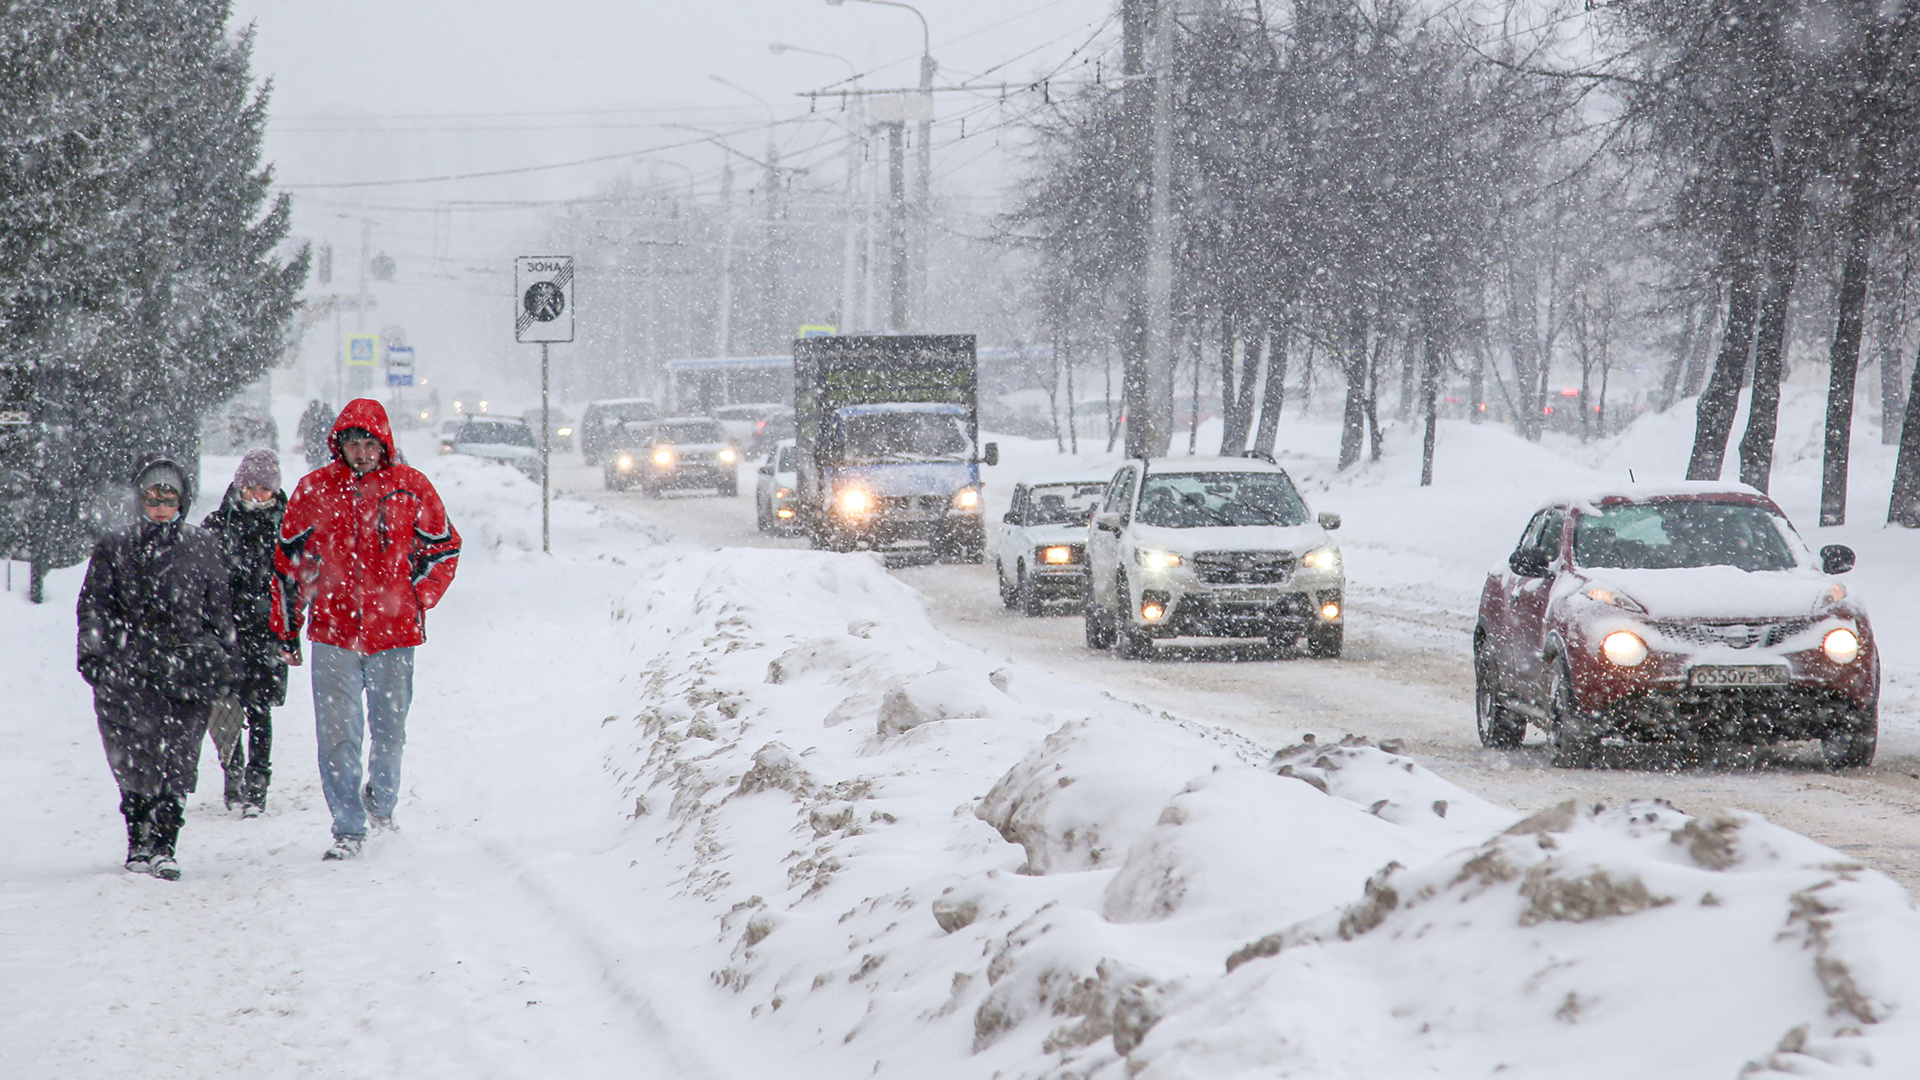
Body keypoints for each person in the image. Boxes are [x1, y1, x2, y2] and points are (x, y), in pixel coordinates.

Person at [273, 399, 460, 861]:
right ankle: (348, 826)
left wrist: (419, 597)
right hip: (334, 632)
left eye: (369, 443)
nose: (361, 452)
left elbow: (444, 549)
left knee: (389, 728)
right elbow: (289, 565)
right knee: (337, 733)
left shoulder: (411, 488)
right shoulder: (314, 490)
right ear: (339, 445)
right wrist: (287, 628)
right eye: (352, 443)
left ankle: (381, 804)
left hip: (393, 632)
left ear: (384, 443)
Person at [76, 456, 237, 880]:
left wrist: (224, 660)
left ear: (181, 500)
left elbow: (218, 608)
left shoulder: (203, 545)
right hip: (128, 673)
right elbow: (95, 605)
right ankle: (138, 841)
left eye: (170, 498)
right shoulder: (114, 547)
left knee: (179, 760)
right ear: (141, 499)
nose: (161, 506)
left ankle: (166, 843)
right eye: (153, 497)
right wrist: (94, 655)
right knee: (132, 760)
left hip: (186, 670)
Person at [200, 448, 294, 816]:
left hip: (266, 632)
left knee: (260, 709)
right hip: (225, 631)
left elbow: (295, 578)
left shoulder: (286, 526)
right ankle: (232, 773)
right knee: (224, 710)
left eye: (264, 488)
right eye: (250, 487)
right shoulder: (217, 523)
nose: (256, 495)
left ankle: (258, 781)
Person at [296, 399, 335, 471]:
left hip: (316, 440)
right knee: (322, 456)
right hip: (323, 441)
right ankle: (321, 467)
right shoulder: (327, 417)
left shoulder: (318, 416)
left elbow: (313, 428)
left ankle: (316, 467)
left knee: (316, 456)